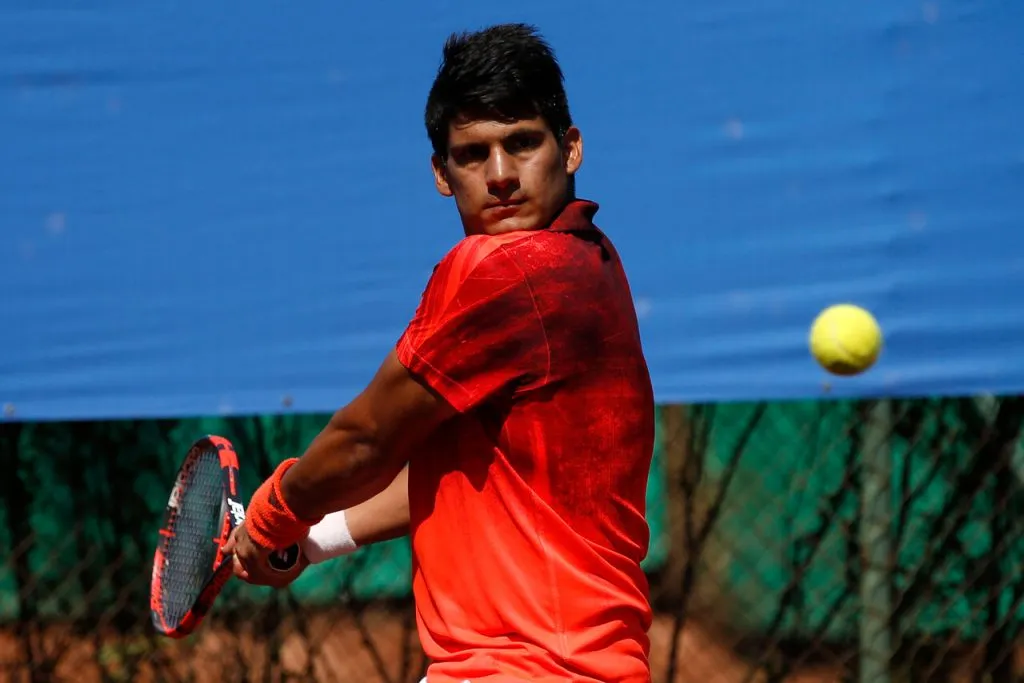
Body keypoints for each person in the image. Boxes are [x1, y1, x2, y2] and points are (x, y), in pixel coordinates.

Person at [224, 22, 656, 683]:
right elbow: (464, 474)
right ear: (441, 173)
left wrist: (274, 512)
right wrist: (317, 537)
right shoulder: (593, 261)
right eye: (473, 154)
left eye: (522, 144)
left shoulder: (505, 269)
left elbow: (368, 436)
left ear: (570, 149)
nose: (503, 174)